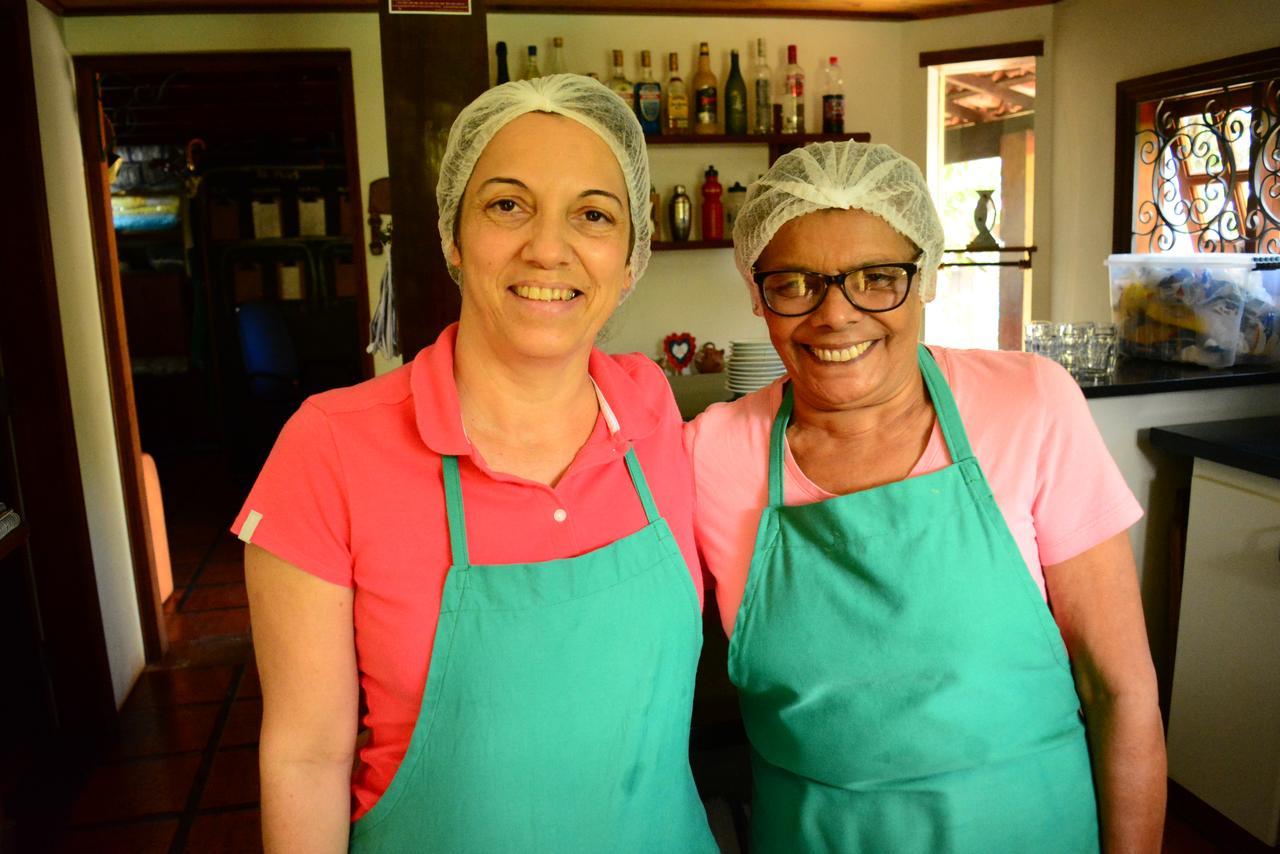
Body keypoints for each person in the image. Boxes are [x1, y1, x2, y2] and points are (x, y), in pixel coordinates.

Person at [234, 75, 717, 853]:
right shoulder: (329, 447)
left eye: (593, 214)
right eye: (507, 204)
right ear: (453, 236)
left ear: (631, 258)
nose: (548, 248)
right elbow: (304, 758)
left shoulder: (651, 407)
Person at [685, 141, 1166, 852]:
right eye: (795, 283)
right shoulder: (709, 454)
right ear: (757, 294)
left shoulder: (1030, 404)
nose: (836, 315)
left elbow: (1120, 691)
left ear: (927, 278)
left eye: (878, 277)